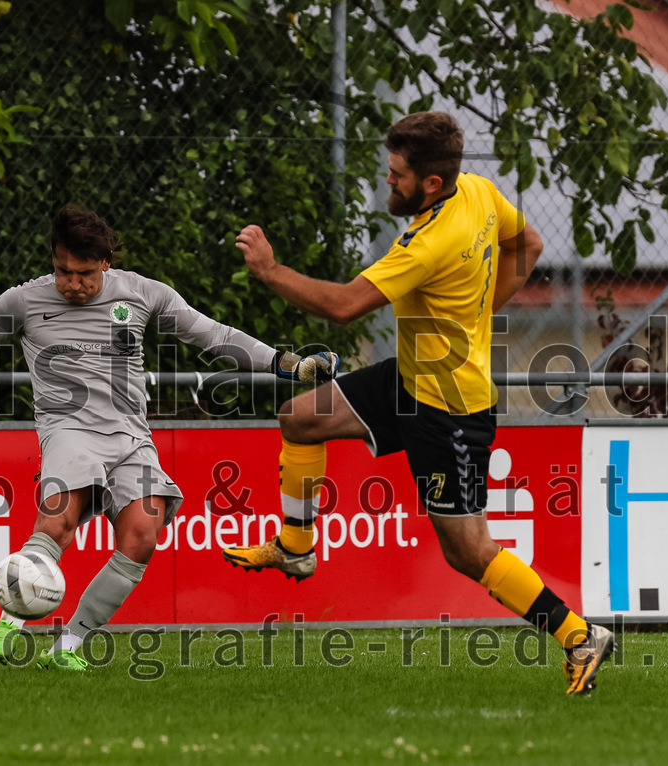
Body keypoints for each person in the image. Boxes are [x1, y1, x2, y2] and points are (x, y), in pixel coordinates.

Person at [221, 111, 614, 695]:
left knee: (468, 551)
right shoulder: (477, 191)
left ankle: (579, 634)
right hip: (410, 377)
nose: (389, 182)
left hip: (448, 407)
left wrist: (271, 271)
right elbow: (528, 243)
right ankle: (297, 547)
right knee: (300, 418)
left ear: (431, 183)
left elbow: (345, 305)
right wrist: (479, 310)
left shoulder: (430, 242)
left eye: (397, 175)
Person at [0, 203, 339, 671]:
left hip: (131, 436)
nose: (72, 283)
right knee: (57, 524)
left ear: (106, 261)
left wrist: (283, 363)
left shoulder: (142, 294)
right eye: (62, 271)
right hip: (68, 430)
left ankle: (67, 646)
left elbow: (212, 335)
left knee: (142, 535)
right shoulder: (23, 302)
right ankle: (8, 624)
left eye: (84, 273)